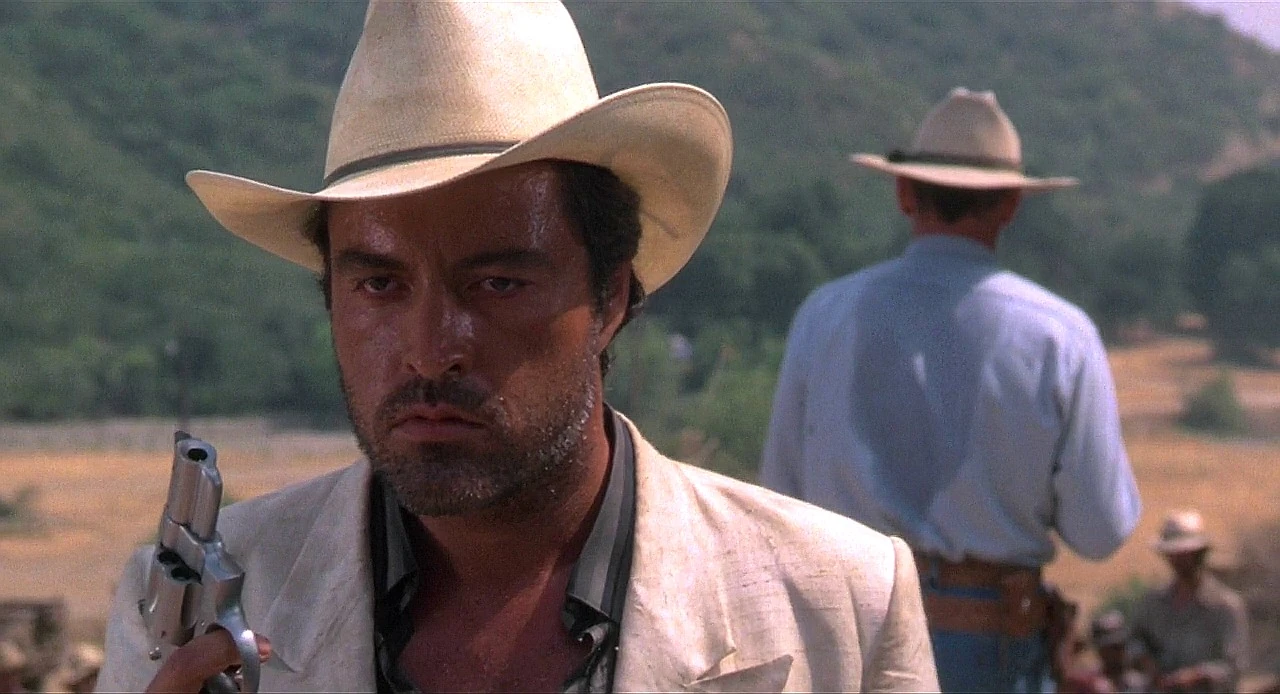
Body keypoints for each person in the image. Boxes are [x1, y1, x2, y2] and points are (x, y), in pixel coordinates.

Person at [95, 1, 938, 692]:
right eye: (379, 285)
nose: (431, 351)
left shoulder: (837, 607)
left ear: (610, 297)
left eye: (497, 283)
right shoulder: (192, 610)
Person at [760, 87, 1142, 692]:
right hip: (991, 643)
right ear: (1011, 204)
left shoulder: (825, 315)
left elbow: (778, 502)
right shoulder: (1060, 337)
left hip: (847, 631)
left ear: (904, 192)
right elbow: (1101, 531)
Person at [1131, 510, 1248, 693]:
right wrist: (1147, 663)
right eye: (1173, 553)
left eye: (1184, 553)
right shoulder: (1154, 603)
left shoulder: (1224, 607)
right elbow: (1134, 642)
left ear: (1199, 554)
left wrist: (1196, 676)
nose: (1177, 560)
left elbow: (1233, 668)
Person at [1060, 610, 1151, 693]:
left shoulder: (1139, 684)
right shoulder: (1086, 683)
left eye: (1122, 646)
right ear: (1101, 651)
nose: (1120, 652)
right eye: (1113, 648)